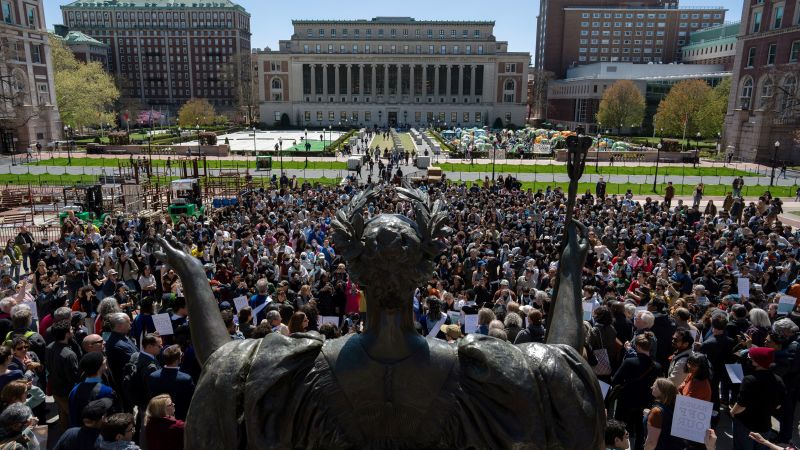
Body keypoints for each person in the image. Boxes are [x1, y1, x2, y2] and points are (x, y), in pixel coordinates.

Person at [730, 347, 786, 450]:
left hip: (745, 425)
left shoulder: (749, 380)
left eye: (751, 358)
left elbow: (741, 405)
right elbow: (778, 406)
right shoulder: (779, 380)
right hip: (765, 426)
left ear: (757, 362)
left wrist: (732, 412)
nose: (749, 360)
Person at [612, 333, 661, 450]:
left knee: (620, 428)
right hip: (645, 403)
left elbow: (615, 380)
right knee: (641, 431)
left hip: (626, 401)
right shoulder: (657, 366)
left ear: (637, 347)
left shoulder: (629, 362)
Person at [44, 321, 79, 432]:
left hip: (56, 388)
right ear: (67, 334)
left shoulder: (49, 347)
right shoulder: (69, 355)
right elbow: (73, 377)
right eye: (71, 329)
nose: (73, 330)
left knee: (63, 414)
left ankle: (64, 432)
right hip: (67, 392)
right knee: (75, 416)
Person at [146, 345, 195, 421]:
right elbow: (191, 401)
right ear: (178, 360)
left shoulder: (153, 376)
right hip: (180, 419)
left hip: (159, 418)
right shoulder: (186, 379)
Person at [68, 352, 116, 428]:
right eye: (103, 360)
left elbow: (73, 416)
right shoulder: (106, 391)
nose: (105, 360)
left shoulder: (74, 390)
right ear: (99, 366)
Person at [643, 378, 682, 450]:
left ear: (662, 391)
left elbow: (651, 443)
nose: (651, 387)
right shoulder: (674, 409)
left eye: (655, 385)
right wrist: (649, 414)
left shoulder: (656, 412)